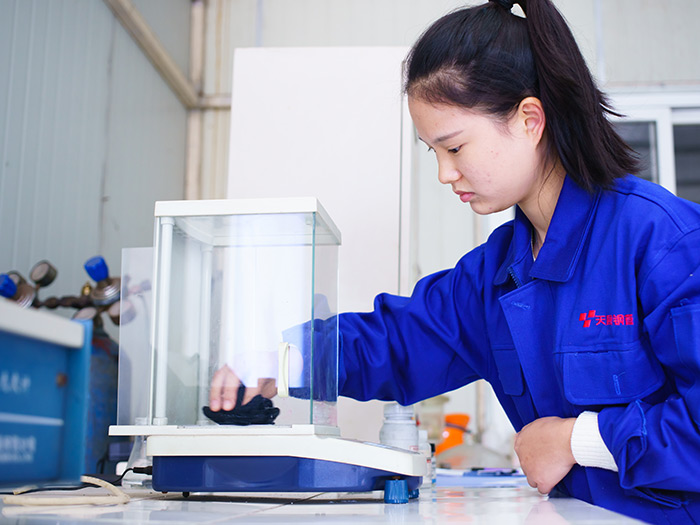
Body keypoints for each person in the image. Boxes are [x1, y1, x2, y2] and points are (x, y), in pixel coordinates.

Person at [210, 0, 700, 522]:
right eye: (434, 153)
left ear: (529, 120)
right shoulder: (495, 275)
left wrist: (576, 440)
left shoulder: (662, 240)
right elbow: (399, 341)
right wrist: (281, 357)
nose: (445, 174)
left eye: (456, 148)